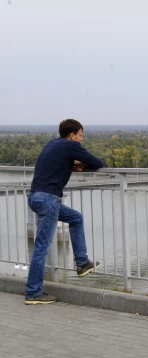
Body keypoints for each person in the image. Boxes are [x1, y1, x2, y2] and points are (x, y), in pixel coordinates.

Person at [25, 119, 104, 305]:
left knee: (76, 218)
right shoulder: (70, 146)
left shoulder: (52, 143)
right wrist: (78, 162)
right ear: (71, 135)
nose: (81, 139)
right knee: (41, 247)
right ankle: (33, 292)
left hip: (36, 197)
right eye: (80, 135)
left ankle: (82, 263)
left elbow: (54, 163)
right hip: (48, 200)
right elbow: (97, 162)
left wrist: (70, 165)